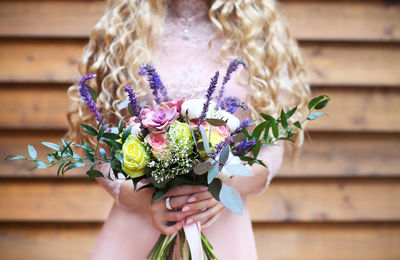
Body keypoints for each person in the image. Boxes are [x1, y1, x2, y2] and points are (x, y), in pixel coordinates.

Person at [66, 0, 310, 259]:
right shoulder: (121, 31)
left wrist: (228, 188)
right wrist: (142, 199)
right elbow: (98, 143)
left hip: (218, 219)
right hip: (140, 220)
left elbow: (272, 145)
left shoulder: (257, 31)